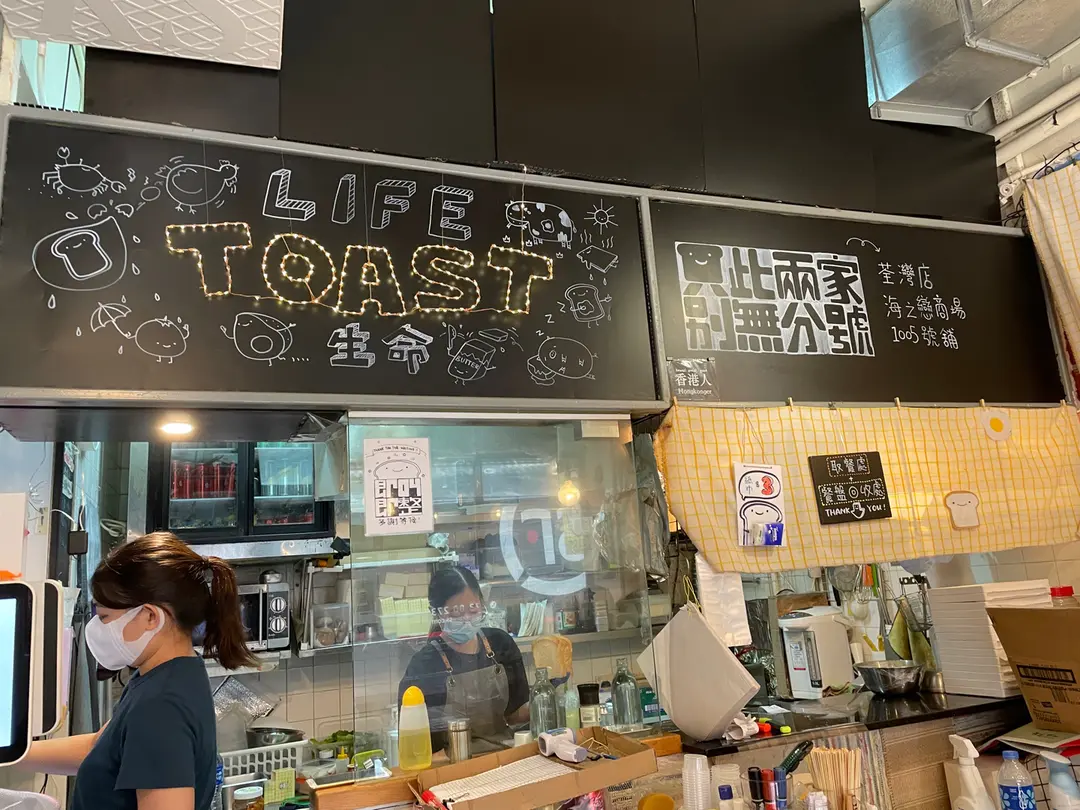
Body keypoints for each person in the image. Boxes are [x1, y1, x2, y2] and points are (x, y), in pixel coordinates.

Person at [19, 532, 256, 810]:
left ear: (150, 617)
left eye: (105, 617)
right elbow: (99, 748)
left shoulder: (160, 707)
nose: (97, 628)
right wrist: (11, 752)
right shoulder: (168, 673)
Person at [398, 566, 529, 751]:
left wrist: (545, 701)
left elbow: (514, 715)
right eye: (456, 613)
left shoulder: (501, 644)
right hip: (453, 762)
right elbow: (416, 745)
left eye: (473, 610)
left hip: (503, 755)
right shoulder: (424, 666)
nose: (467, 619)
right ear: (436, 613)